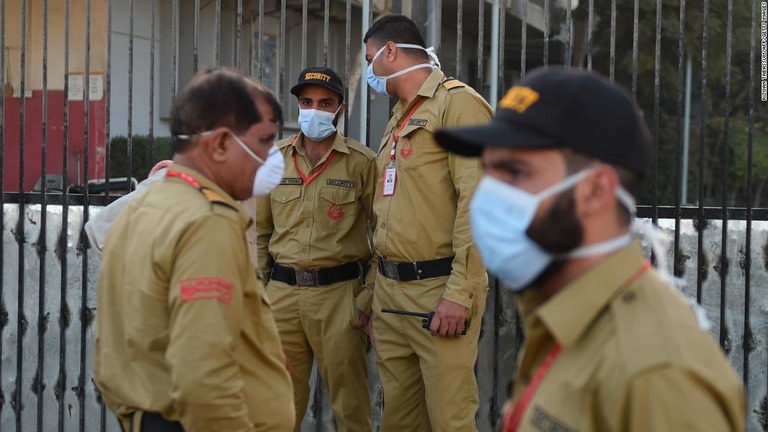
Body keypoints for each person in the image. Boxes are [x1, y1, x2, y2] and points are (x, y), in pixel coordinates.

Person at [434, 66, 746, 431]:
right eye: (488, 172)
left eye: (516, 173)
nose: (487, 196)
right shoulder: (559, 318)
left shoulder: (656, 373)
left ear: (596, 190)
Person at [93, 67, 295, 431]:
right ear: (218, 144)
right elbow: (204, 379)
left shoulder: (143, 206)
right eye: (265, 140)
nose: (273, 156)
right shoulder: (207, 222)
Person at [363, 14, 493, 432]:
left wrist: (460, 293)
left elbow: (478, 205)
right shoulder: (399, 115)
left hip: (438, 295)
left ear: (391, 51)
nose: (369, 71)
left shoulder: (457, 104)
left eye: (370, 59)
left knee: (449, 420)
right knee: (398, 421)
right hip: (391, 296)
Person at [254, 66, 375, 432]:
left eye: (325, 103)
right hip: (282, 296)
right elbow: (259, 231)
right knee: (277, 403)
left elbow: (383, 233)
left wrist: (367, 298)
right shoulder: (274, 159)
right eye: (306, 102)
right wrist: (260, 292)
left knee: (350, 405)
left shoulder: (362, 162)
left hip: (339, 296)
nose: (314, 110)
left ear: (339, 110)